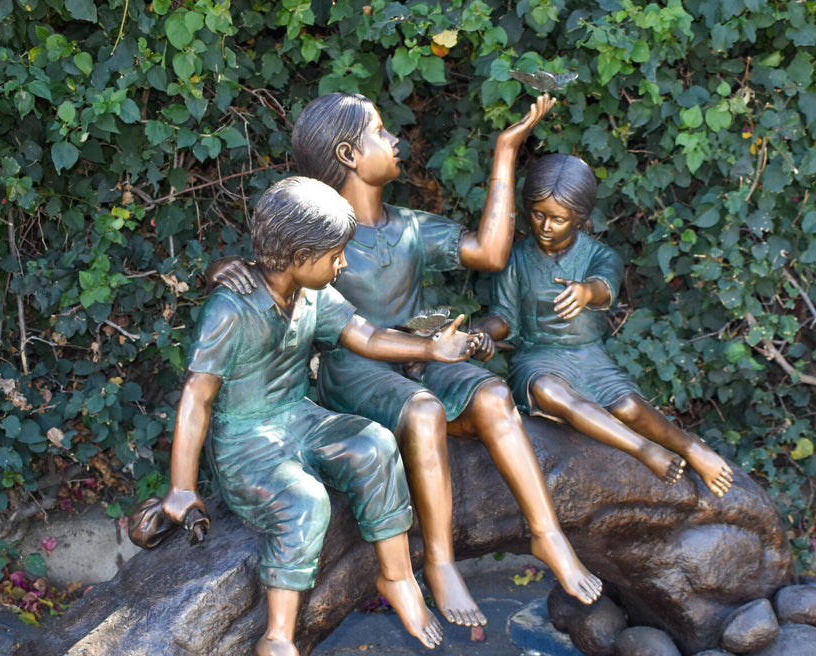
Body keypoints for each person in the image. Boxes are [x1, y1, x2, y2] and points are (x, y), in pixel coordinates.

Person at [211, 93, 602, 627]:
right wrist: (231, 268)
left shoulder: (411, 227)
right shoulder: (322, 230)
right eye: (380, 132)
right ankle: (438, 561)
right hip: (356, 369)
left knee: (490, 393)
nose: (396, 141)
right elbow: (278, 265)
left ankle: (546, 532)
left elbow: (490, 253)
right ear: (349, 154)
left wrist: (506, 151)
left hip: (425, 353)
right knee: (423, 412)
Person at [161, 176, 480, 656]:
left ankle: (398, 575)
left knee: (373, 443)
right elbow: (197, 396)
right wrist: (180, 487)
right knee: (305, 502)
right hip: (246, 441)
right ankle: (278, 638)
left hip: (298, 418)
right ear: (301, 254)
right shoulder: (232, 308)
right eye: (335, 255)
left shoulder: (314, 293)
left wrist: (432, 347)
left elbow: (368, 337)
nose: (343, 265)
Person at [475, 154, 734, 497]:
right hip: (538, 357)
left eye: (558, 219)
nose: (546, 227)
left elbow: (604, 287)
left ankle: (690, 446)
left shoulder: (599, 255)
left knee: (627, 406)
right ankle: (643, 450)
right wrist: (483, 332)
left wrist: (585, 292)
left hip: (588, 356)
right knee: (550, 391)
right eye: (538, 215)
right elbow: (503, 316)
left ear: (580, 219)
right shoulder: (516, 258)